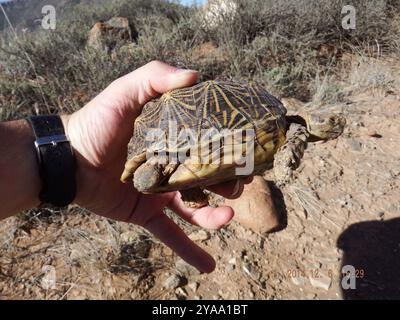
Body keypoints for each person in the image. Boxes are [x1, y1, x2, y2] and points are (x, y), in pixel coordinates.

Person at [0, 61, 251, 273]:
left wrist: (68, 151)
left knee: (238, 165)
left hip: (216, 129)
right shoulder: (156, 163)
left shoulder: (166, 150)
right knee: (234, 168)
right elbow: (153, 175)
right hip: (195, 149)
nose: (148, 186)